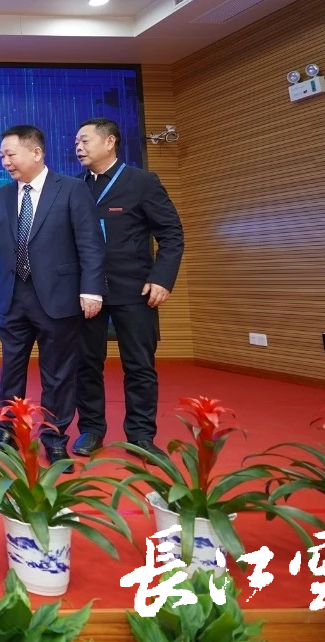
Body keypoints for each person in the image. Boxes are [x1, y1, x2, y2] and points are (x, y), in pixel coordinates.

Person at [0, 125, 105, 464]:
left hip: (58, 297)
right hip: (13, 297)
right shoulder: (1, 196)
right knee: (11, 370)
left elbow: (91, 243)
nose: (5, 162)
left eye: (10, 154)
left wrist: (92, 289)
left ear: (36, 152)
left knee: (58, 373)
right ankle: (5, 435)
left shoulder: (72, 189)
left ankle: (54, 438)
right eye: (2, 156)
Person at [71, 118, 184, 460]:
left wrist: (162, 278)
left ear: (110, 142)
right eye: (76, 142)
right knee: (86, 364)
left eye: (85, 140)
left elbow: (171, 234)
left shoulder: (142, 182)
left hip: (135, 289)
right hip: (87, 291)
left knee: (139, 366)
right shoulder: (73, 187)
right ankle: (91, 429)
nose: (78, 147)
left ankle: (141, 435)